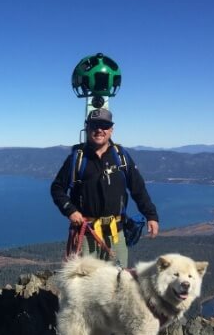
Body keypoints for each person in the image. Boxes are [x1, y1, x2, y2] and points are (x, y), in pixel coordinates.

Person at [50, 108, 159, 267]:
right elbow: (57, 188)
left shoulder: (121, 156)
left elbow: (138, 188)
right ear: (87, 128)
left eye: (104, 125)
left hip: (116, 233)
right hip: (87, 233)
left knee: (117, 282)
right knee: (86, 284)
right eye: (95, 125)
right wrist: (70, 210)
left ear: (111, 130)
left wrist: (151, 215)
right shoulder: (77, 158)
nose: (99, 130)